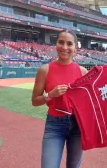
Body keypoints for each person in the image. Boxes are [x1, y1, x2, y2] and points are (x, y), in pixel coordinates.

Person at [31, 29, 88, 168]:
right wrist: (50, 95)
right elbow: (35, 101)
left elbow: (90, 101)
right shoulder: (45, 70)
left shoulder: (82, 72)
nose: (64, 47)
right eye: (61, 42)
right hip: (54, 125)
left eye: (69, 44)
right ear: (56, 44)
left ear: (75, 48)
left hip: (77, 126)